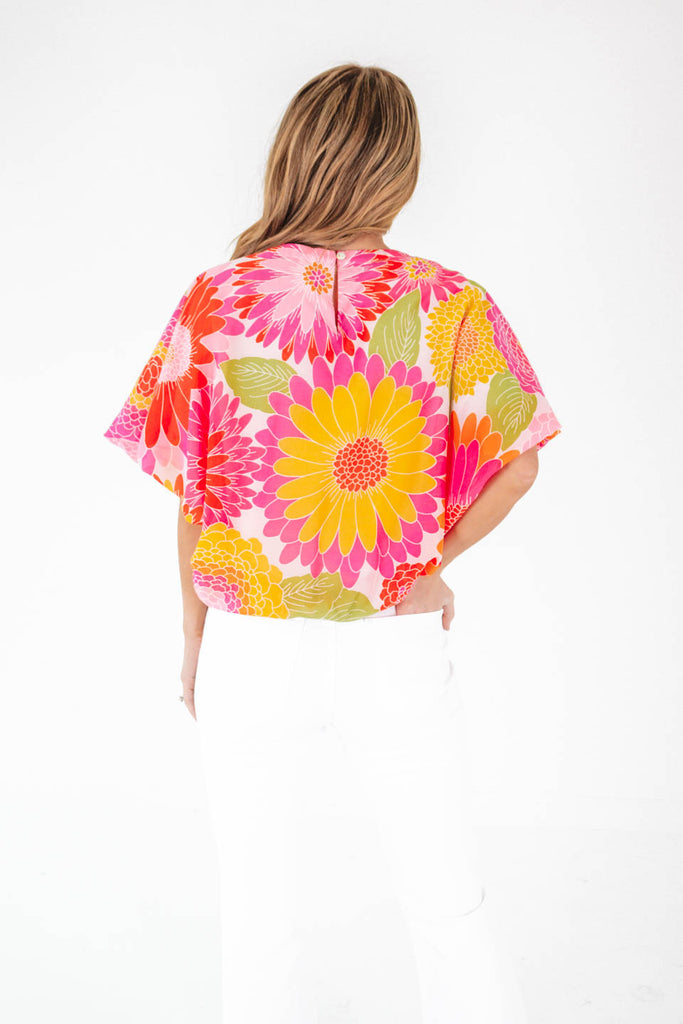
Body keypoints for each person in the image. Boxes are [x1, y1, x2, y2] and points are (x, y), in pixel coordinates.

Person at [104, 62, 562, 1024]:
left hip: (249, 642)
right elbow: (518, 465)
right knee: (448, 901)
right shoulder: (449, 303)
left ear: (293, 153)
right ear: (400, 169)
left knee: (257, 919)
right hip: (390, 634)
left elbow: (192, 491)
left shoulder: (216, 299)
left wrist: (195, 640)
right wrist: (429, 567)